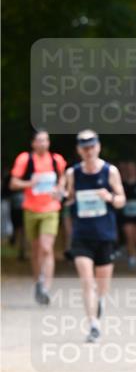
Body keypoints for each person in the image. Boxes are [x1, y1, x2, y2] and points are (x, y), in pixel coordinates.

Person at [64, 130, 125, 342]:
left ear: (98, 147)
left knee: (102, 285)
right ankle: (93, 324)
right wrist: (64, 198)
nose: (88, 151)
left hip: (105, 235)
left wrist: (109, 197)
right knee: (87, 282)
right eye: (84, 147)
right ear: (79, 150)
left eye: (92, 146)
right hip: (81, 235)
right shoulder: (72, 173)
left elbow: (121, 200)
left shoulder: (110, 171)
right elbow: (68, 198)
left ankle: (100, 304)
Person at [10, 130, 67, 304]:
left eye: (46, 140)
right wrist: (29, 183)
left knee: (46, 247)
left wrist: (59, 189)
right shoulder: (24, 159)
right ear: (33, 143)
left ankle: (45, 288)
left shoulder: (56, 160)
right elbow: (13, 183)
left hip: (51, 209)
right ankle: (38, 282)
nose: (43, 144)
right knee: (35, 250)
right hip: (31, 209)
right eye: (40, 141)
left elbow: (63, 178)